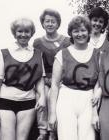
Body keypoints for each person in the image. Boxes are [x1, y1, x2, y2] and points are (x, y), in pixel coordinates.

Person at [0, 18, 46, 140]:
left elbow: (39, 80)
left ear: (32, 33)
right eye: (20, 31)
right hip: (5, 102)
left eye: (27, 31)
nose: (23, 34)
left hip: (28, 103)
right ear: (14, 33)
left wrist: (42, 97)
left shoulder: (38, 54)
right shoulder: (4, 53)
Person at [48, 16, 100, 140]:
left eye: (83, 30)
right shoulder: (62, 54)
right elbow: (54, 85)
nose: (80, 34)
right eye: (75, 31)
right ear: (71, 33)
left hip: (88, 99)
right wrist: (52, 113)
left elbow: (100, 81)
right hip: (67, 98)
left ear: (88, 32)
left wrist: (95, 107)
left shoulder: (98, 54)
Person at [33, 8, 70, 140]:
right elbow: (37, 65)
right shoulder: (37, 42)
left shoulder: (66, 41)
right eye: (47, 21)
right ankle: (43, 131)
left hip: (61, 79)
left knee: (51, 96)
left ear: (58, 24)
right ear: (42, 23)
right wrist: (43, 81)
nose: (49, 24)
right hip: (43, 79)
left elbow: (69, 63)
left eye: (53, 21)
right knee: (40, 95)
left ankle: (52, 132)